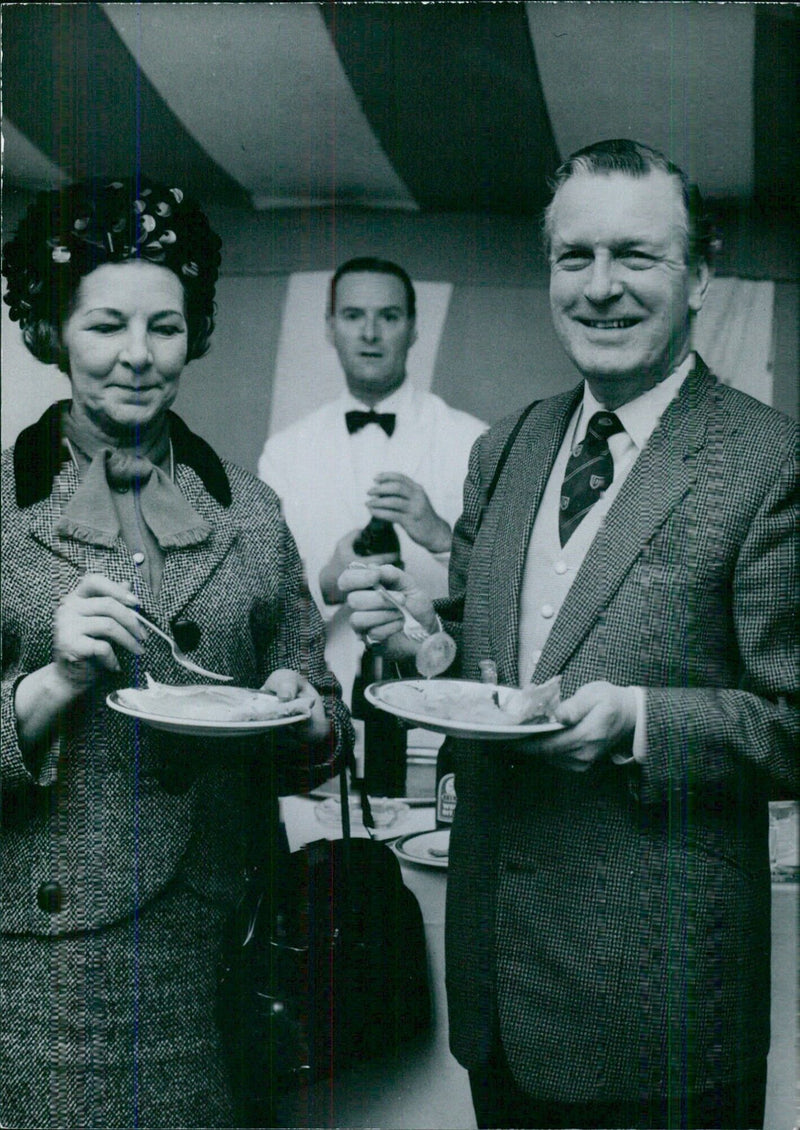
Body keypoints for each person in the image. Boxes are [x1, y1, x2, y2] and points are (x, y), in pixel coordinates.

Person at [340, 140, 799, 1130]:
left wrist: (638, 720)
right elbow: (480, 663)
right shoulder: (503, 447)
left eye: (634, 257)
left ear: (699, 273)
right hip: (497, 990)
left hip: (661, 1011)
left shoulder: (768, 461)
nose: (599, 288)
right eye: (572, 257)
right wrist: (423, 646)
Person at [1, 177, 353, 1129]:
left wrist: (310, 714)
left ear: (194, 332)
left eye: (164, 327)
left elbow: (321, 721)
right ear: (53, 332)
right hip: (50, 969)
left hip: (231, 952)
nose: (136, 356)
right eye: (106, 325)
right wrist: (51, 681)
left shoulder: (249, 506)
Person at [257, 256, 486, 716]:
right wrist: (329, 577)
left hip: (439, 703)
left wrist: (444, 538)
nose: (370, 334)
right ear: (329, 327)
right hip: (321, 700)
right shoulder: (284, 452)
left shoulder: (475, 441)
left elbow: (509, 590)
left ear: (414, 328)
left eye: (389, 316)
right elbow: (264, 602)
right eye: (353, 315)